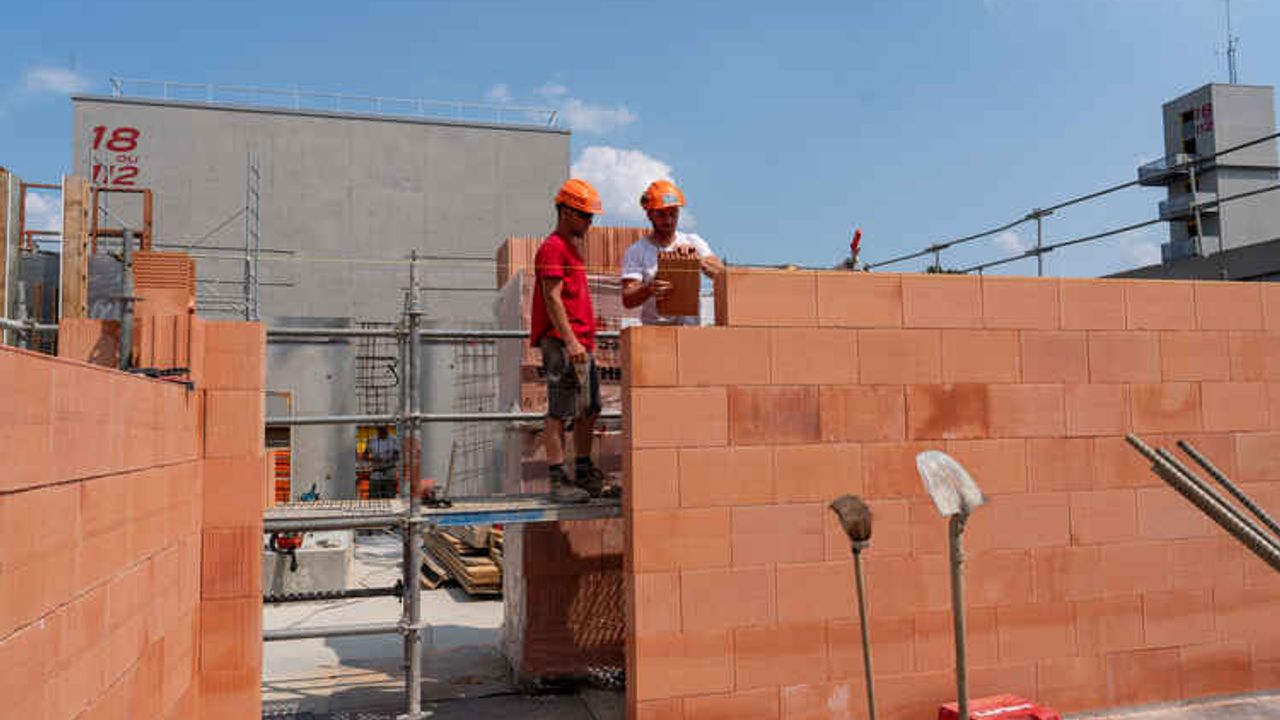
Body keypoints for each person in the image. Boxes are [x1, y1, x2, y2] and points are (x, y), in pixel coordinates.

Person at [530, 178, 613, 503]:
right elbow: (552, 298)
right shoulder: (552, 247)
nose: (590, 223)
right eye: (585, 216)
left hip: (579, 343)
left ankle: (582, 470)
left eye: (592, 217)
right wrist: (571, 342)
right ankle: (557, 479)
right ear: (565, 211)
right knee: (559, 410)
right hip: (562, 342)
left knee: (589, 408)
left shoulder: (571, 249)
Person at [621, 180, 725, 325]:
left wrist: (696, 260)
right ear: (649, 214)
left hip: (689, 333)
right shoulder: (637, 251)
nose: (668, 220)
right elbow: (627, 299)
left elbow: (722, 275)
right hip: (655, 334)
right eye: (662, 215)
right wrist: (649, 288)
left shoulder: (693, 241)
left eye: (673, 214)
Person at [363, 426, 401, 499]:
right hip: (376, 471)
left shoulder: (394, 440)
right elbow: (365, 455)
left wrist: (389, 458)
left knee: (390, 494)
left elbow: (398, 454)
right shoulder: (372, 440)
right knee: (374, 495)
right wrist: (373, 459)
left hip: (390, 471)